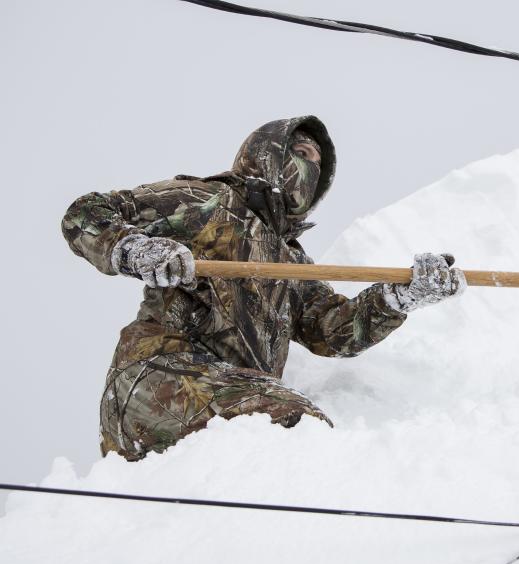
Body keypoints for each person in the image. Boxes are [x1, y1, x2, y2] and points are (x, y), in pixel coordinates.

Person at [62, 116, 465, 460]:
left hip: (228, 395)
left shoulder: (289, 262)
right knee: (297, 431)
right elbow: (87, 213)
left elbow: (333, 331)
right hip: (161, 378)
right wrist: (134, 248)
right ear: (268, 154)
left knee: (275, 451)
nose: (309, 169)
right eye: (301, 154)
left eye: (317, 166)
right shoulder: (206, 201)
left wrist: (400, 297)